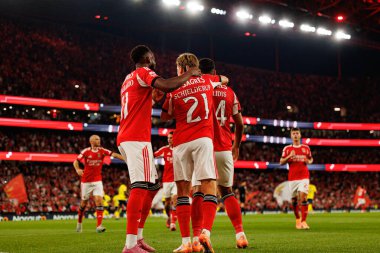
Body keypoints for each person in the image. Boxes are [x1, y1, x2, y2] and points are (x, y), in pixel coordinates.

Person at [117, 45, 201, 253]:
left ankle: (138, 237)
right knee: (139, 186)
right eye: (152, 55)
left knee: (152, 187)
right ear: (147, 57)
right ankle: (129, 245)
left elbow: (150, 97)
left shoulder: (128, 79)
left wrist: (156, 95)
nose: (154, 58)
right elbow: (165, 85)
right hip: (137, 137)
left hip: (127, 136)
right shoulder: (144, 71)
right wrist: (189, 74)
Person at [161, 53, 227, 253]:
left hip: (181, 142)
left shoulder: (174, 88)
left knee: (182, 192)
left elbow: (164, 116)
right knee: (208, 186)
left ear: (180, 69)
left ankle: (185, 243)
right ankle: (205, 232)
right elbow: (225, 79)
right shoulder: (207, 80)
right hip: (202, 139)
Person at [191, 58, 248, 250]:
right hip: (224, 146)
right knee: (227, 191)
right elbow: (240, 123)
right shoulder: (229, 91)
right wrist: (236, 146)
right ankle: (240, 235)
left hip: (203, 146)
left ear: (199, 71)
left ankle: (200, 235)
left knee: (199, 191)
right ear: (215, 71)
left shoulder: (198, 87)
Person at [73, 134, 124, 233]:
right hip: (86, 181)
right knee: (83, 204)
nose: (98, 140)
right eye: (96, 139)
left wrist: (126, 159)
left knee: (99, 201)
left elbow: (114, 154)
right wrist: (77, 169)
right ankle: (79, 222)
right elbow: (75, 161)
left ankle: (99, 225)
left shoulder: (102, 150)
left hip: (97, 180)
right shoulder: (86, 151)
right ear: (91, 141)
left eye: (99, 139)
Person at [280, 128, 313, 230]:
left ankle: (304, 221)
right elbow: (281, 162)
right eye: (293, 133)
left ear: (300, 135)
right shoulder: (287, 149)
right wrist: (289, 156)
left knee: (303, 198)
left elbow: (310, 159)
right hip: (292, 178)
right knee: (294, 201)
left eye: (297, 133)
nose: (295, 135)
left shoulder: (306, 148)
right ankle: (298, 219)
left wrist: (309, 161)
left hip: (304, 176)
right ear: (291, 136)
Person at [154, 131, 178, 231]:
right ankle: (169, 217)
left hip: (177, 179)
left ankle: (173, 222)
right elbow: (153, 155)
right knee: (167, 203)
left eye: (171, 138)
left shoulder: (180, 149)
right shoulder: (164, 149)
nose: (169, 139)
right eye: (168, 138)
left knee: (175, 199)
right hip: (166, 180)